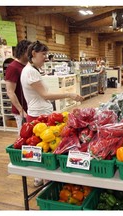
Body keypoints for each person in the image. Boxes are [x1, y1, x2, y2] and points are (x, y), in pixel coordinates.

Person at [21, 41, 84, 186]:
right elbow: (45, 95)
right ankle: (44, 180)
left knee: (40, 148)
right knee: (43, 148)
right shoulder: (30, 72)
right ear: (33, 54)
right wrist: (69, 95)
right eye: (43, 54)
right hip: (39, 115)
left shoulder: (32, 70)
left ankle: (40, 178)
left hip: (40, 113)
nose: (45, 57)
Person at [5, 39, 32, 134]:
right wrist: (21, 110)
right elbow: (10, 91)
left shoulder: (27, 66)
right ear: (23, 51)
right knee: (24, 136)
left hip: (30, 108)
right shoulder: (13, 67)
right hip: (22, 110)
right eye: (29, 52)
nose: (31, 54)